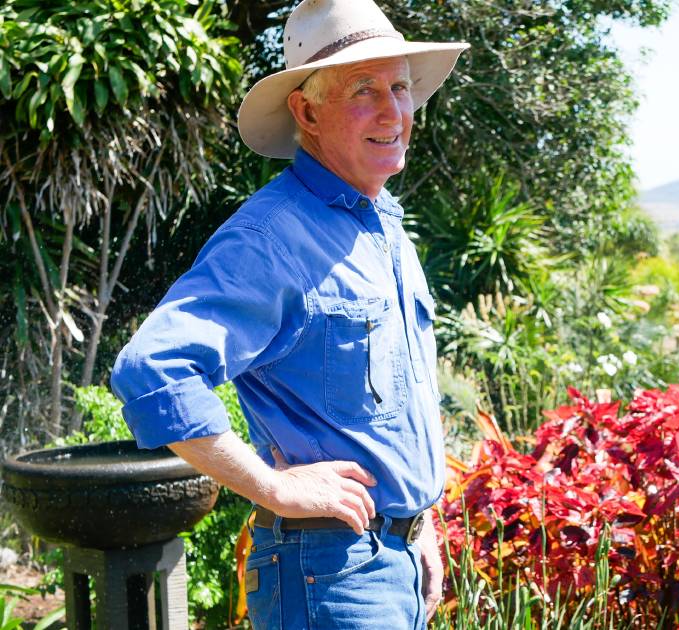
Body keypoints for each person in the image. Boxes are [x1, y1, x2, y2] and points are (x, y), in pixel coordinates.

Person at [109, 0, 468, 627]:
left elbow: (397, 403)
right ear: (306, 111)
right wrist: (273, 488)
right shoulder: (271, 238)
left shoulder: (384, 225)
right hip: (327, 572)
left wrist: (419, 522)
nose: (394, 112)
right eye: (364, 90)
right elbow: (152, 369)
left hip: (391, 561)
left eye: (401, 87)